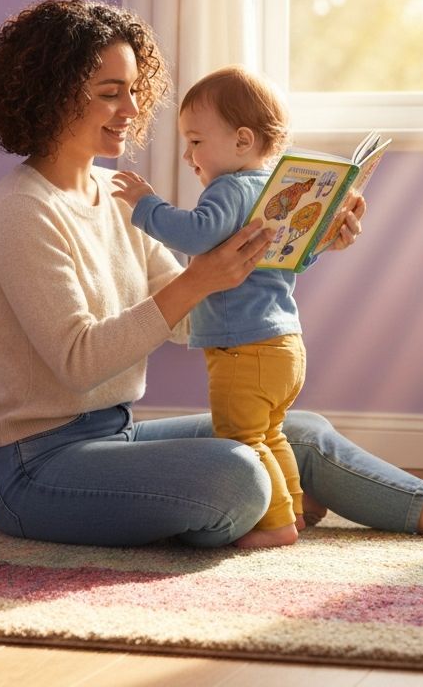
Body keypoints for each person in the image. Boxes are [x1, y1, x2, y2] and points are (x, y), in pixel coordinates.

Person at [0, 0, 423, 551]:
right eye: (111, 91)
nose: (133, 109)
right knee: (238, 472)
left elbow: (186, 320)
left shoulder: (115, 194)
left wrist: (288, 249)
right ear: (52, 94)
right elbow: (78, 361)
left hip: (117, 436)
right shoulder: (21, 211)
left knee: (302, 431)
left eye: (135, 89)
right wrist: (203, 278)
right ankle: (258, 502)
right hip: (35, 466)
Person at [111, 66, 323, 548]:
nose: (188, 156)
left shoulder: (229, 190)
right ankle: (295, 507)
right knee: (272, 434)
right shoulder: (275, 193)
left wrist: (146, 206)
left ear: (242, 141)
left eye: (195, 142)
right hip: (285, 344)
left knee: (244, 440)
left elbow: (196, 233)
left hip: (243, 349)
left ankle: (274, 525)